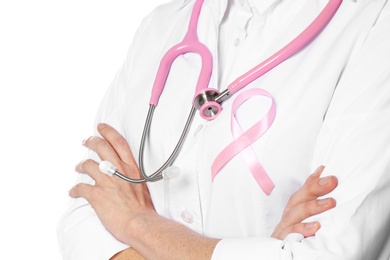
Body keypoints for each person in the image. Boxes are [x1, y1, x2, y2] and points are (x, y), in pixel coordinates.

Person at [57, 0, 390, 259]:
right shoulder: (161, 26)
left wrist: (136, 225)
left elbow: (330, 255)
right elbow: (85, 219)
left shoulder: (375, 24)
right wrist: (262, 251)